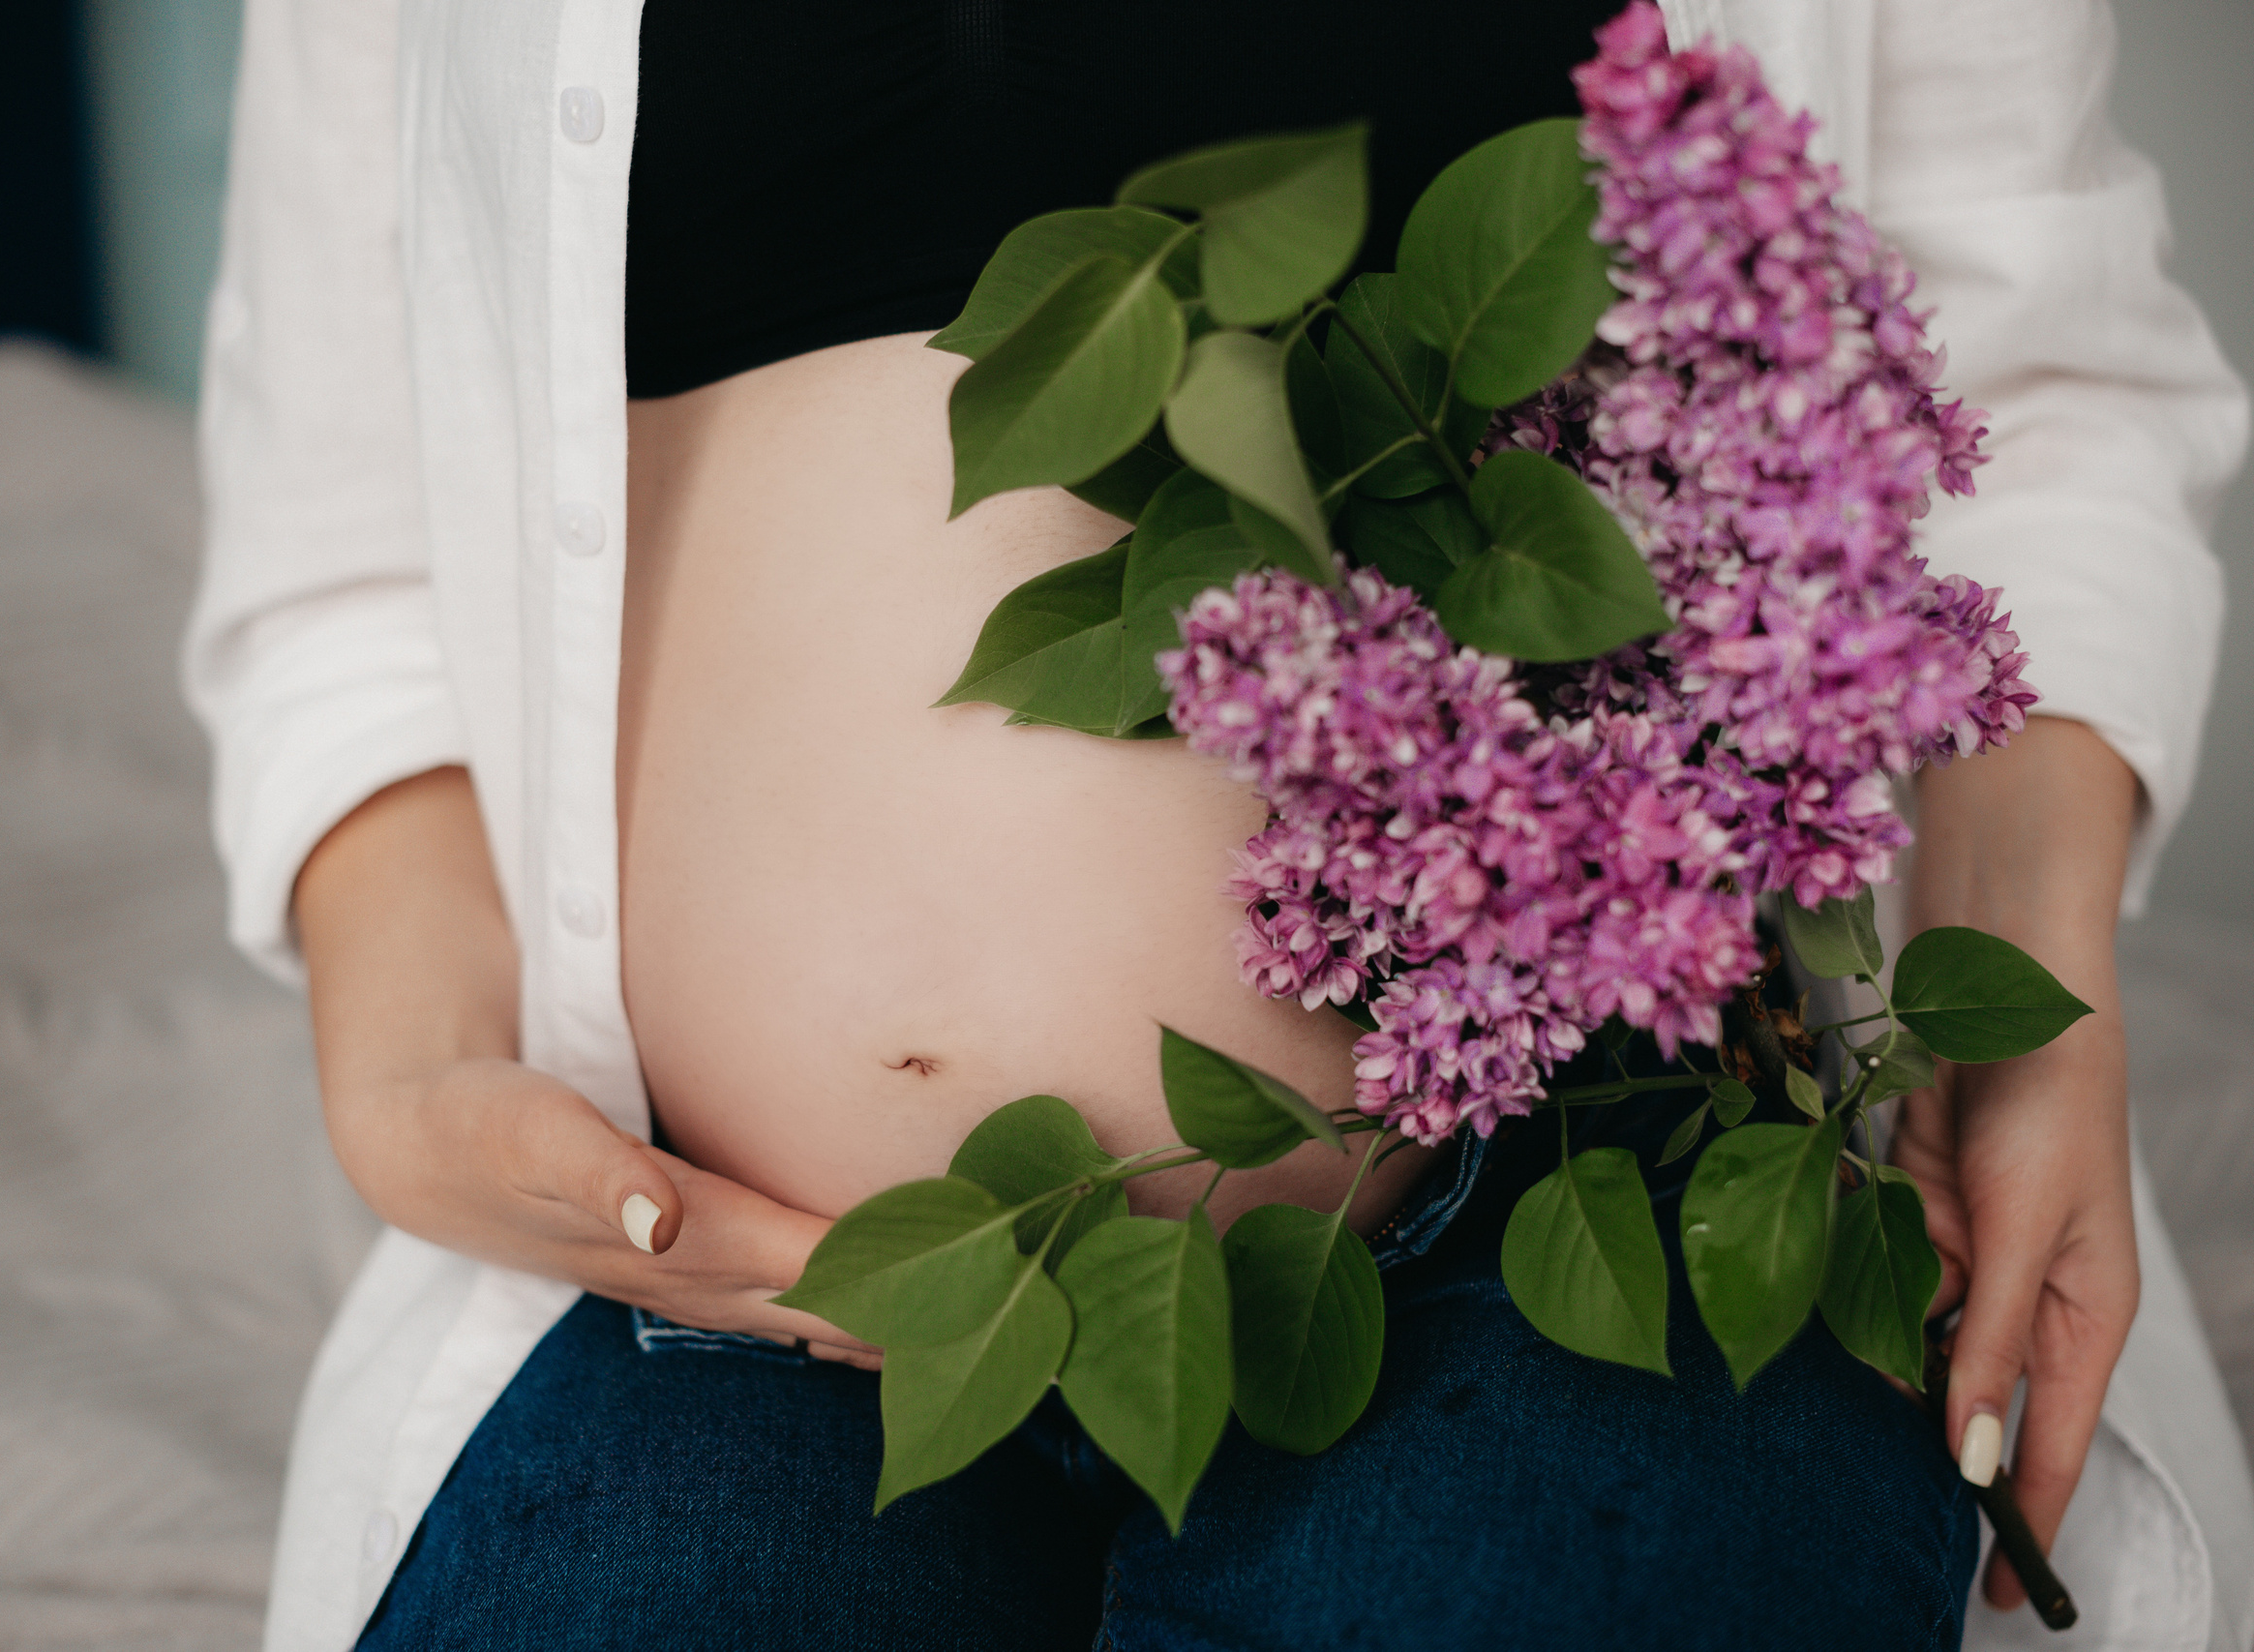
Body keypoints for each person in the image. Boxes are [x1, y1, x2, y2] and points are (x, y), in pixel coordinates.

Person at [186, 0, 2244, 1646]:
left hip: (1602, 1171)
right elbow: (344, 530)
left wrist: (2021, 1013)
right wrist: (413, 1071)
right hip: (735, 1272)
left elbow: (2016, 380)